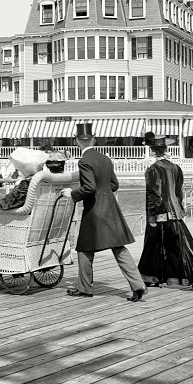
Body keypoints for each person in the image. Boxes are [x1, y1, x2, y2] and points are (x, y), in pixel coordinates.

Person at [61, 123, 146, 302]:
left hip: (94, 212)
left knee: (84, 249)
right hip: (111, 209)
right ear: (95, 139)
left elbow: (89, 187)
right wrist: (103, 192)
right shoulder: (105, 159)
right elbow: (114, 185)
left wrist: (72, 194)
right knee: (119, 248)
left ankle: (85, 288)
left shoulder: (84, 161)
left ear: (76, 141)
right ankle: (138, 285)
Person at [138, 133, 193, 290]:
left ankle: (151, 276)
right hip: (175, 212)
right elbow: (178, 193)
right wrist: (178, 208)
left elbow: (154, 194)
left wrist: (152, 217)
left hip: (159, 213)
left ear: (152, 151)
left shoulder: (152, 170)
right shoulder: (175, 168)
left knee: (153, 246)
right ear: (165, 149)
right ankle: (188, 276)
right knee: (179, 245)